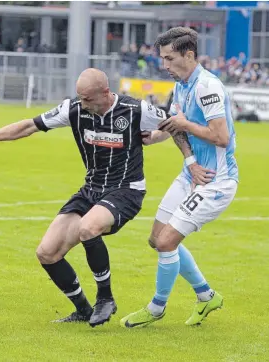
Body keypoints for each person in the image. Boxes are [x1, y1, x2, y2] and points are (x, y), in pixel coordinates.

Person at [0, 68, 207, 328]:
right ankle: (83, 310)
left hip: (126, 190)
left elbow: (174, 126)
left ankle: (106, 298)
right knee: (47, 252)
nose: (83, 104)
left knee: (88, 228)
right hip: (91, 190)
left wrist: (170, 147)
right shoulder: (73, 109)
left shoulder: (135, 110)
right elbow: (28, 126)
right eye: (80, 98)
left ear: (105, 93)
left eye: (88, 98)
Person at [120, 27, 238, 328]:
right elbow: (177, 127)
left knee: (167, 242)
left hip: (215, 181)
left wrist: (184, 124)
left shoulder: (206, 87)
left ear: (189, 55)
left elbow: (221, 137)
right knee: (156, 239)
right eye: (162, 59)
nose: (165, 66)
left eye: (170, 59)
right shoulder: (182, 85)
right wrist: (156, 135)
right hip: (192, 174)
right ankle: (207, 295)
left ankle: (156, 308)